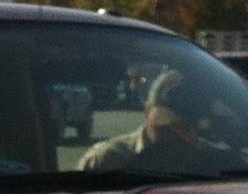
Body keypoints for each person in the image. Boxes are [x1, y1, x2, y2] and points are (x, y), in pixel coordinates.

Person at [79, 68, 239, 175]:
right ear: (147, 112)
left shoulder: (216, 163)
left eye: (186, 128)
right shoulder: (106, 161)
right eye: (168, 127)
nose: (177, 136)